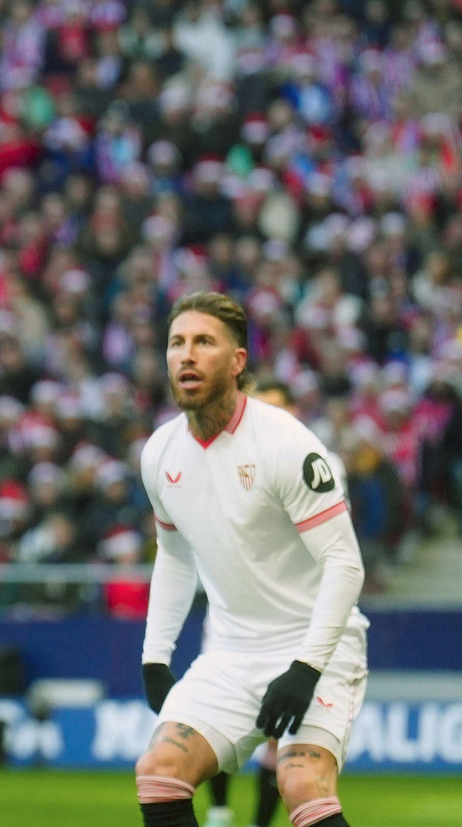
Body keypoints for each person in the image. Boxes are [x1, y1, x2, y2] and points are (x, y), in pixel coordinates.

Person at [136, 293, 367, 827]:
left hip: (317, 645)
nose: (186, 355)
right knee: (159, 770)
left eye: (203, 342)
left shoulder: (288, 445)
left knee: (300, 783)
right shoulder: (160, 453)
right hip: (232, 651)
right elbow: (174, 557)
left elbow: (345, 563)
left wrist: (307, 668)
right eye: (177, 343)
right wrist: (155, 656)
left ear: (237, 362)